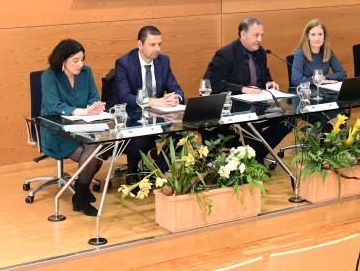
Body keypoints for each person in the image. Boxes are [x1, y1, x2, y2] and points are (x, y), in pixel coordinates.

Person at [204, 17, 290, 163]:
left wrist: (269, 82)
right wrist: (243, 89)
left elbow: (265, 75)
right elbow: (214, 84)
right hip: (234, 108)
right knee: (252, 123)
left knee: (289, 120)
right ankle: (254, 160)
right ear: (243, 35)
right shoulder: (225, 54)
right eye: (256, 35)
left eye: (261, 35)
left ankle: (253, 155)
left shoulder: (260, 52)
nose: (260, 39)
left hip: (259, 104)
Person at [39, 38, 105, 217]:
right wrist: (80, 112)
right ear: (63, 60)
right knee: (94, 157)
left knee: (95, 150)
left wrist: (93, 107)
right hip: (57, 132)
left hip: (82, 129)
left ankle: (80, 193)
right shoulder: (49, 76)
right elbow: (53, 105)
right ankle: (81, 194)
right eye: (75, 60)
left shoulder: (86, 72)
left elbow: (93, 96)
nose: (80, 64)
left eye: (82, 59)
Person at [113, 25, 185, 174]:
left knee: (181, 134)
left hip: (159, 116)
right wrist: (151, 102)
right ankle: (133, 175)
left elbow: (176, 88)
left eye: (159, 44)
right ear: (140, 44)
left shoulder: (163, 61)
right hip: (133, 116)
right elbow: (124, 97)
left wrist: (175, 97)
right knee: (140, 139)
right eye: (152, 45)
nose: (157, 49)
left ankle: (157, 170)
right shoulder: (124, 63)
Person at [291, 19, 347, 86]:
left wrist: (324, 77)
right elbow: (296, 80)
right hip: (308, 93)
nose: (317, 38)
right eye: (313, 34)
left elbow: (342, 74)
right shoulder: (300, 53)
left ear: (324, 36)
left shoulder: (328, 51)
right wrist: (321, 81)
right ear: (308, 37)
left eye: (320, 34)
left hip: (325, 92)